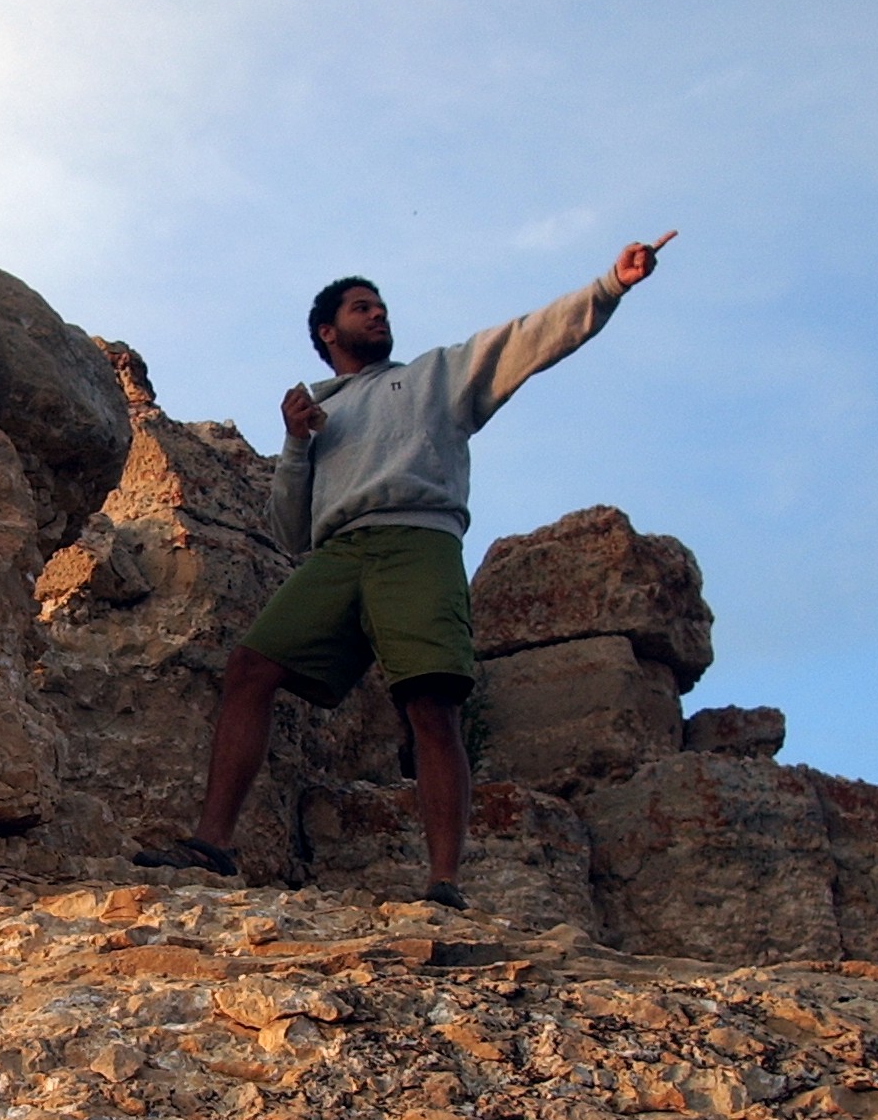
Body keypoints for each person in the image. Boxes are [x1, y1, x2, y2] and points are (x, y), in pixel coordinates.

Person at [135, 234, 674, 906]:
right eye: (362, 308)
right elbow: (289, 531)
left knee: (431, 705)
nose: (379, 315)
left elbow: (531, 338)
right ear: (328, 331)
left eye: (382, 306)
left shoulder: (433, 378)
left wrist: (610, 285)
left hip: (419, 542)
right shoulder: (320, 413)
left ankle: (445, 883)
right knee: (250, 668)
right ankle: (212, 844)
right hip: (339, 553)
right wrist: (297, 444)